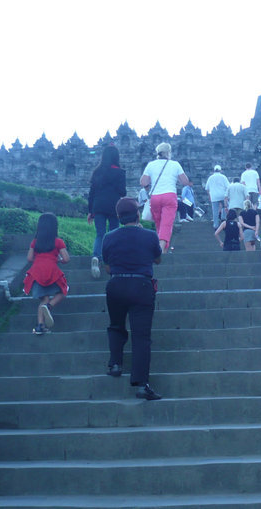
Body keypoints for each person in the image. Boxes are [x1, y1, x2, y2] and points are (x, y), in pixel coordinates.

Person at [101, 197, 163, 400]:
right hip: (142, 286)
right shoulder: (150, 235)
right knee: (141, 336)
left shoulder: (109, 237)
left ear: (118, 217)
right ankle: (142, 384)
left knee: (116, 325)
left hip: (116, 284)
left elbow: (108, 266)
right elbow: (158, 259)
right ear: (137, 214)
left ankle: (116, 363)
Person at [23, 213, 70, 334]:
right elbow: (66, 259)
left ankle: (40, 326)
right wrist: (57, 260)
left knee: (43, 299)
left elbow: (29, 258)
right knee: (63, 291)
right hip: (52, 270)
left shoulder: (35, 242)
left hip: (36, 271)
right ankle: (49, 306)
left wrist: (39, 261)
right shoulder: (58, 242)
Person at [140, 142, 189, 254]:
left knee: (159, 224)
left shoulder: (151, 165)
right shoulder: (175, 164)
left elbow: (143, 182)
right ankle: (161, 250)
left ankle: (165, 249)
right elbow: (185, 182)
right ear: (168, 152)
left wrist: (148, 187)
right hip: (169, 196)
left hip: (155, 198)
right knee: (166, 224)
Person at [87, 144, 127, 279]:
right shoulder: (120, 172)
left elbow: (91, 193)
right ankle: (112, 259)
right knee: (114, 233)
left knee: (100, 234)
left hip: (98, 206)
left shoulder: (97, 172)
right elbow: (123, 192)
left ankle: (96, 256)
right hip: (114, 206)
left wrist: (89, 211)